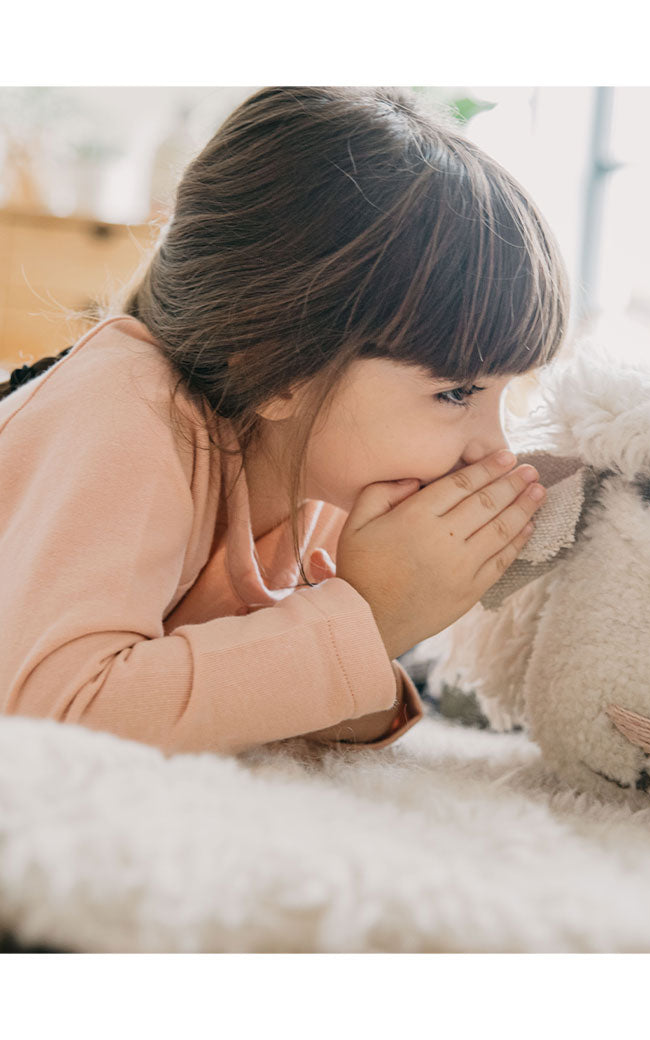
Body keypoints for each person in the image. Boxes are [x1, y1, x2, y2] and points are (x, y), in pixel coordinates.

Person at [0, 86, 568, 755]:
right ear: (276, 368)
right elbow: (49, 722)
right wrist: (372, 617)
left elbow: (295, 706)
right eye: (455, 393)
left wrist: (375, 622)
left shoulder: (317, 480)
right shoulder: (127, 407)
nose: (493, 448)